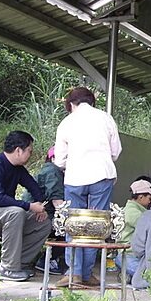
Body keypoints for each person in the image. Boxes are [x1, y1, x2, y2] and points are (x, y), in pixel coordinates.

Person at [54, 87, 122, 287]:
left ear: (72, 104)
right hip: (102, 175)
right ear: (91, 102)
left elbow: (59, 160)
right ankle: (87, 274)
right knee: (96, 226)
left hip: (75, 178)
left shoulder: (67, 122)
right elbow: (116, 151)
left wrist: (73, 164)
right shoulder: (106, 118)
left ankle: (73, 273)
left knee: (74, 224)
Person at [0, 131, 52, 282]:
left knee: (43, 223)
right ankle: (8, 268)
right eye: (29, 150)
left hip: (2, 213)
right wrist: (29, 206)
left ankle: (18, 264)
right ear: (18, 150)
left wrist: (40, 206)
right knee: (15, 212)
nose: (31, 154)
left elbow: (33, 187)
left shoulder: (18, 169)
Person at [22, 145, 66, 275]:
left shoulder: (51, 170)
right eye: (65, 156)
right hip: (36, 215)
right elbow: (58, 203)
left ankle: (50, 258)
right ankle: (48, 260)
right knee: (70, 229)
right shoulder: (53, 171)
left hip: (35, 213)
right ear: (53, 158)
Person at [115, 178, 151, 278]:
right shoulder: (132, 211)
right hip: (128, 255)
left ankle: (128, 275)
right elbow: (148, 227)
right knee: (148, 276)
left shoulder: (139, 210)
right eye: (150, 199)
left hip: (140, 256)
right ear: (141, 197)